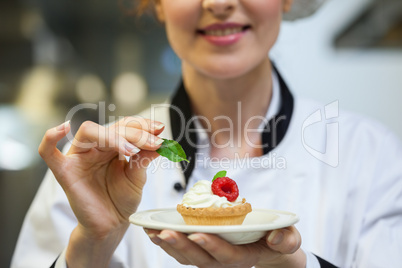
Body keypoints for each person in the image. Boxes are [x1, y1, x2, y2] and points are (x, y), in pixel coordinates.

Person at [11, 0, 402, 267]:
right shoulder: (95, 168)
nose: (218, 3)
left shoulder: (370, 156)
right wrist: (91, 246)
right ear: (159, 4)